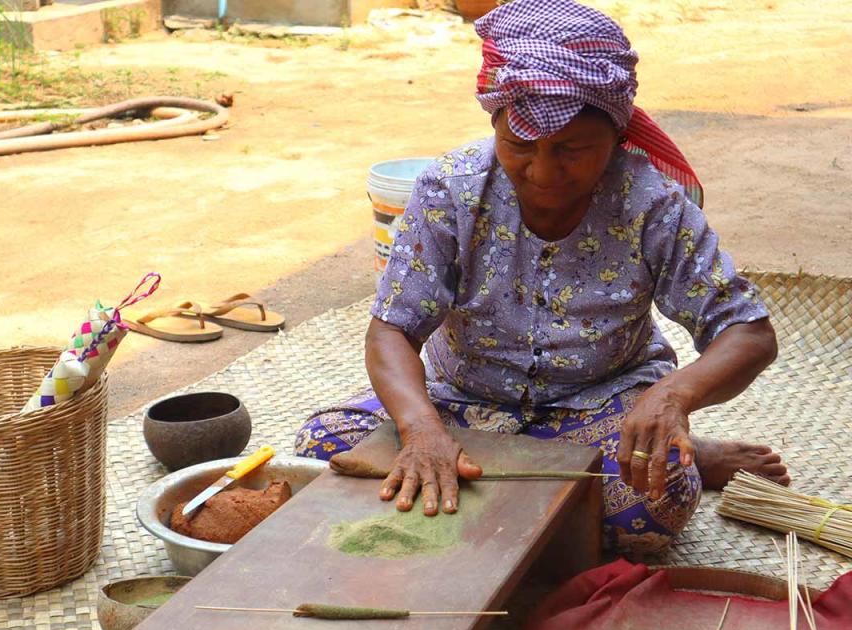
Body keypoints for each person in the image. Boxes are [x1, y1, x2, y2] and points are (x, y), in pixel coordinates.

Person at [295, 0, 789, 554]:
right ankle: (579, 464)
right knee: (320, 449)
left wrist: (673, 397)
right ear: (495, 126)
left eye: (572, 150)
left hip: (601, 401)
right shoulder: (451, 189)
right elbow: (391, 331)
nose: (544, 173)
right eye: (520, 146)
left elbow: (748, 334)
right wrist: (421, 431)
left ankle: (675, 443)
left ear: (616, 134)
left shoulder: (653, 203)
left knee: (651, 506)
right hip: (460, 399)